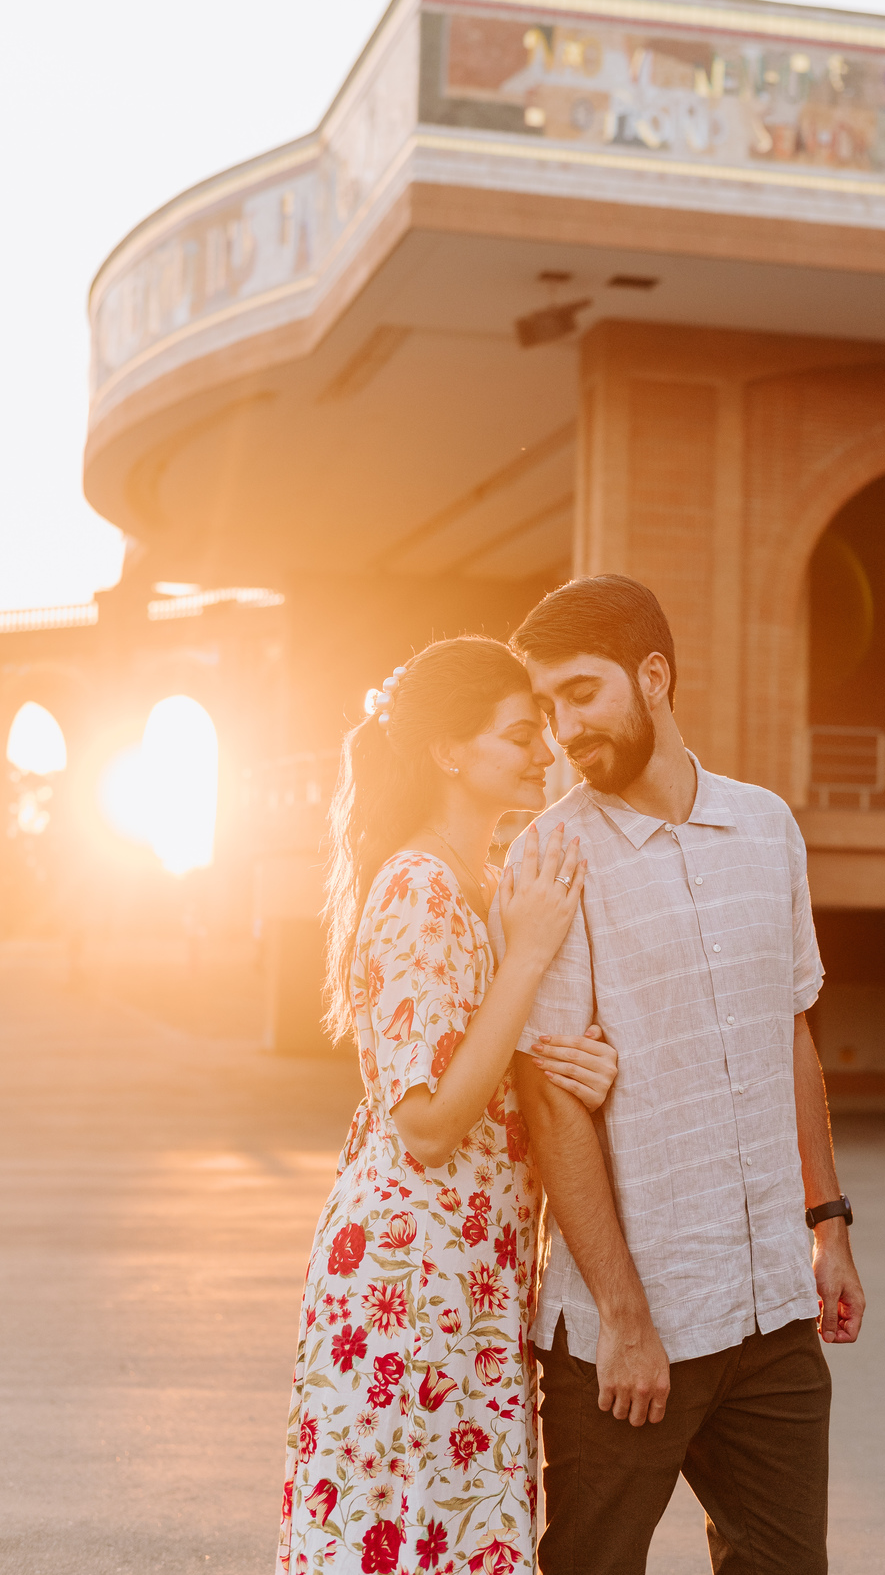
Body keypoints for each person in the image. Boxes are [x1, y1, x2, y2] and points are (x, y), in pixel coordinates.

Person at [496, 574, 866, 1575]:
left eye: (581, 691)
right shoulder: (549, 856)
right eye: (545, 706)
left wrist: (826, 1223)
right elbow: (553, 1099)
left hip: (771, 1316)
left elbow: (788, 1030)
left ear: (652, 676)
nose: (562, 726)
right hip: (630, 1335)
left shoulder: (766, 830)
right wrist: (622, 1319)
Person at [277, 636, 619, 1575]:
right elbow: (426, 1123)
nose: (546, 753)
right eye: (520, 736)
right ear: (449, 753)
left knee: (449, 1531)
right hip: (411, 1280)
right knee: (413, 1532)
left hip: (468, 1272)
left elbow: (488, 1057)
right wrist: (527, 959)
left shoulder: (474, 885)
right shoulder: (419, 886)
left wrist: (572, 1056)